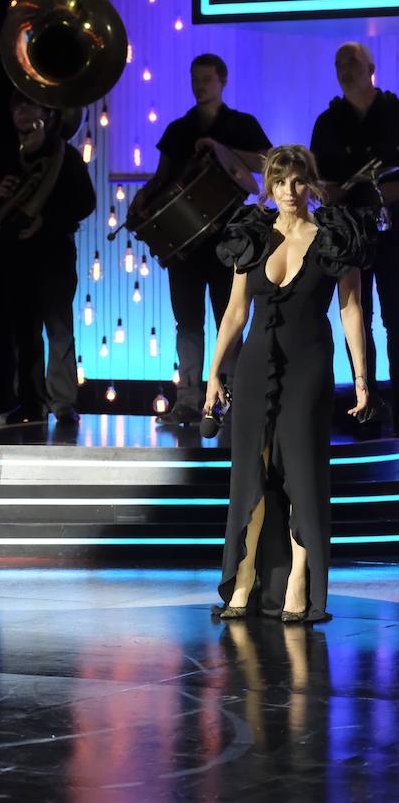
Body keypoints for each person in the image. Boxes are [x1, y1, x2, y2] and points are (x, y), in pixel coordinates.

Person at [208, 145, 370, 623]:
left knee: (300, 472)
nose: (289, 191)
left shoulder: (335, 236)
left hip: (310, 365)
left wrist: (362, 377)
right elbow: (236, 312)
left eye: (297, 181)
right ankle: (243, 579)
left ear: (310, 182)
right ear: (269, 186)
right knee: (250, 473)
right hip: (256, 365)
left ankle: (299, 582)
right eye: (280, 183)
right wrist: (214, 371)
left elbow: (351, 310)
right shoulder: (252, 237)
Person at [129, 53, 271, 426]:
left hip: (230, 240)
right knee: (187, 323)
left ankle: (234, 399)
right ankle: (189, 399)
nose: (199, 85)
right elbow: (162, 178)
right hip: (185, 247)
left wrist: (221, 149)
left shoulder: (241, 125)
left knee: (231, 319)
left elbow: (265, 162)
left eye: (206, 79)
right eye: (195, 79)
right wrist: (143, 198)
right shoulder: (178, 129)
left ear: (222, 81)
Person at [0, 93, 96, 426]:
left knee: (59, 329)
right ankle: (30, 402)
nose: (21, 111)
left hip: (54, 253)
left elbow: (85, 203)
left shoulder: (67, 157)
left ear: (47, 114)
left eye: (29, 105)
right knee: (24, 333)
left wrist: (46, 220)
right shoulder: (4, 156)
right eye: (17, 105)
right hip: (15, 255)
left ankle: (63, 403)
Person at [310, 41, 399, 426]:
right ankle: (369, 399)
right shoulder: (327, 122)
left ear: (371, 68)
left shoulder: (396, 112)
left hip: (395, 230)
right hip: (348, 231)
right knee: (356, 316)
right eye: (338, 64)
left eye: (352, 62)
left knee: (397, 316)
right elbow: (316, 180)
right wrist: (328, 191)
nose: (344, 69)